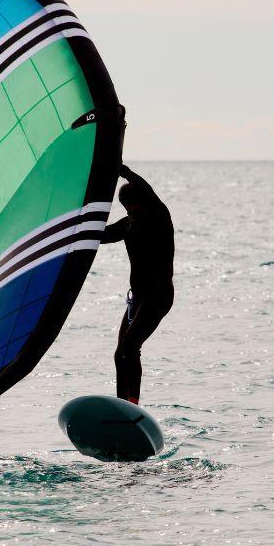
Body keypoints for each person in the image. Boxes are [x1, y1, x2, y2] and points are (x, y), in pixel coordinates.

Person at [101, 164, 174, 405]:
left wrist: (120, 169)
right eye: (127, 207)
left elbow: (146, 188)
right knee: (120, 352)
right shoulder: (128, 223)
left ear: (143, 201)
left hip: (159, 295)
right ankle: (122, 404)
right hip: (139, 298)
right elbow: (100, 235)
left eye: (134, 206)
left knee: (130, 346)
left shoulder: (158, 215)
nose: (131, 211)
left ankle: (133, 404)